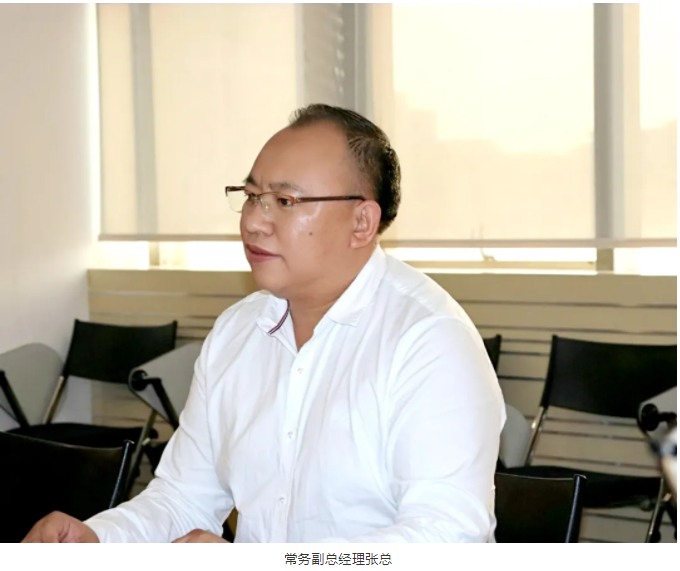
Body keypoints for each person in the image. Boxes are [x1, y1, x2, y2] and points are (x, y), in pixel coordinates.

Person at [23, 104, 505, 543]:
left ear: (361, 222)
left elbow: (445, 537)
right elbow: (183, 497)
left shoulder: (429, 341)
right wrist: (98, 539)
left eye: (285, 201)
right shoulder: (238, 331)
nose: (254, 220)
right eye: (252, 195)